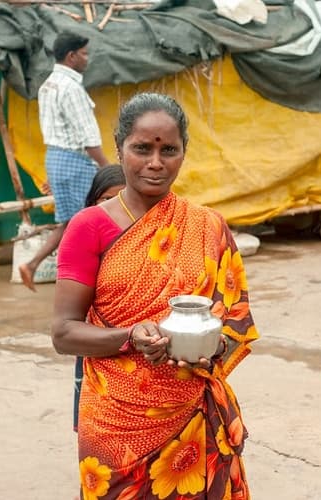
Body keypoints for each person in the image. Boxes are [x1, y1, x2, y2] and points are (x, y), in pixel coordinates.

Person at [51, 93, 258, 499]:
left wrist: (210, 349)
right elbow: (63, 333)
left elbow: (234, 320)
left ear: (183, 152)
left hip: (192, 413)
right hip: (116, 423)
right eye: (142, 148)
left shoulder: (208, 226)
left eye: (169, 150)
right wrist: (130, 336)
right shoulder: (88, 227)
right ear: (119, 149)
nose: (156, 163)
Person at [18, 31, 111, 292]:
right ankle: (86, 276)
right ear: (71, 56)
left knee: (73, 222)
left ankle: (35, 265)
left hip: (58, 159)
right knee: (90, 220)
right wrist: (109, 168)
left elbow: (55, 131)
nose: (87, 58)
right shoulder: (71, 88)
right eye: (84, 54)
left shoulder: (48, 85)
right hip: (75, 162)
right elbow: (88, 137)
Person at [70, 164, 126, 433]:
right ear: (93, 202)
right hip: (96, 339)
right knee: (95, 423)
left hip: (141, 344)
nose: (115, 207)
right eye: (107, 199)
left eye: (123, 199)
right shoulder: (86, 236)